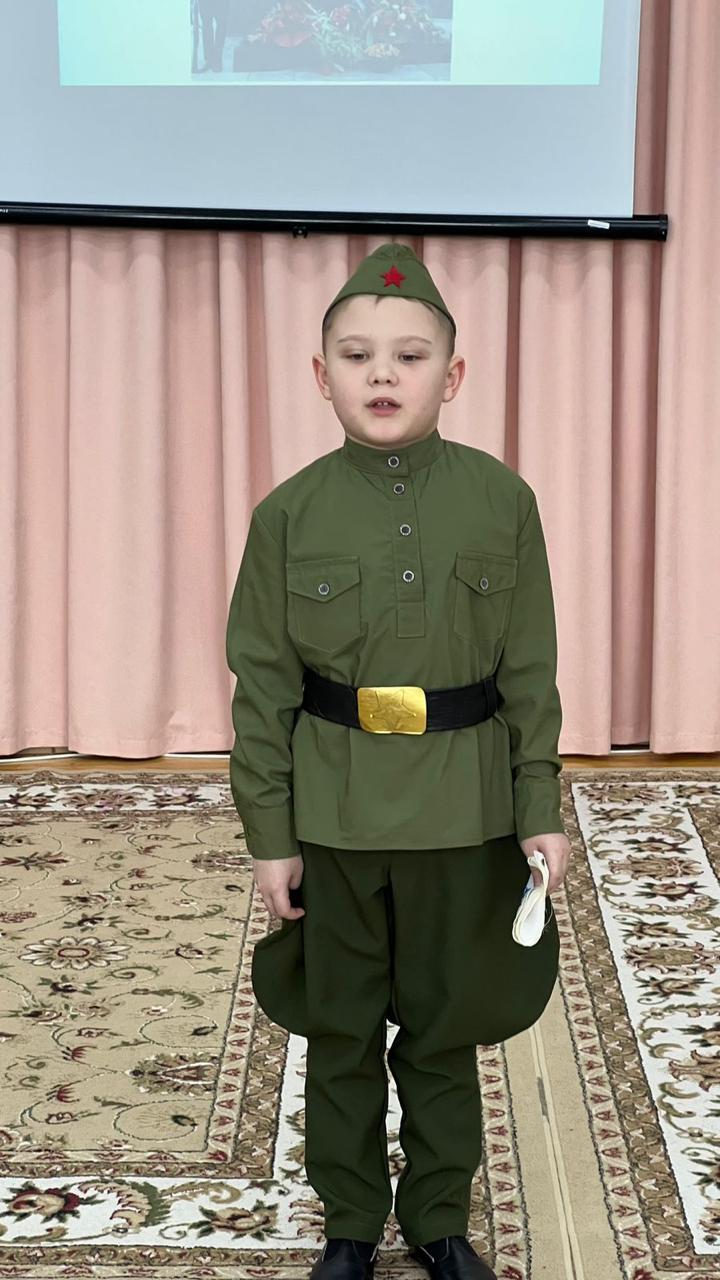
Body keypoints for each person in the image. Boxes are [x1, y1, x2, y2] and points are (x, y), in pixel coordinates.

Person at [225, 242, 572, 1280]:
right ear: (320, 374)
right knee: (339, 1027)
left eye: (410, 355)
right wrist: (271, 835)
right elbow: (262, 688)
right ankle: (348, 1222)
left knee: (443, 1025)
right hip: (334, 814)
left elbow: (531, 672)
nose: (383, 374)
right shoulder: (288, 515)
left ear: (451, 376)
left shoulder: (502, 501)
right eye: (357, 354)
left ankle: (438, 1217)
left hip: (464, 812)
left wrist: (538, 808)